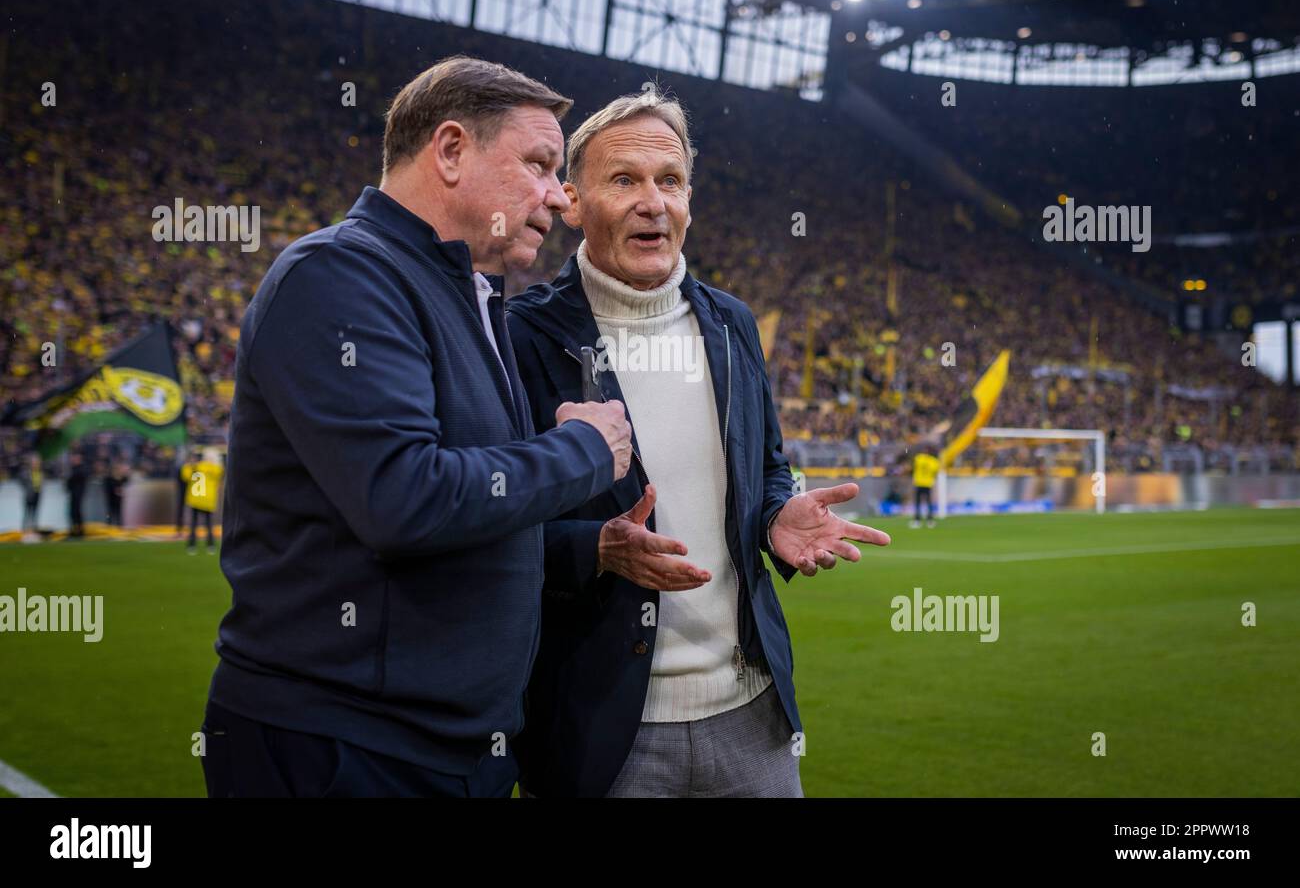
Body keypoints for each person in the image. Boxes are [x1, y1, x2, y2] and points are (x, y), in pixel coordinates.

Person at [200, 56, 633, 799]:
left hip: (444, 748)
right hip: (344, 748)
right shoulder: (339, 276)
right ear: (452, 150)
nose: (561, 198)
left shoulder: (468, 293)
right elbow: (404, 499)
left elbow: (469, 518)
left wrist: (589, 545)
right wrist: (584, 450)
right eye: (537, 164)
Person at [507, 86, 890, 797]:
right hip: (598, 727)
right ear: (572, 201)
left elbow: (769, 466)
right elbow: (493, 521)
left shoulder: (732, 323)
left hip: (752, 716)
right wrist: (595, 549)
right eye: (624, 180)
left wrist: (778, 512)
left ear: (690, 198)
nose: (653, 201)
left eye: (670, 181)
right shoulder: (520, 336)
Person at [182, 449, 222, 553]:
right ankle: (210, 545)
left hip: (196, 498)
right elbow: (219, 474)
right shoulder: (215, 468)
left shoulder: (197, 466)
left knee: (194, 523)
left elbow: (186, 476)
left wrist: (189, 464)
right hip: (208, 500)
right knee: (208, 524)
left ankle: (192, 545)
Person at [911, 447, 940, 528]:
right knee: (927, 503)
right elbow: (935, 472)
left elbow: (914, 467)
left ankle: (918, 520)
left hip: (920, 483)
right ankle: (929, 520)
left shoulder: (919, 458)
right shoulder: (934, 461)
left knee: (919, 502)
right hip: (926, 483)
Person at [65, 451, 88, 538]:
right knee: (73, 512)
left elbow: (72, 480)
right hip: (74, 493)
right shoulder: (74, 469)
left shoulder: (81, 469)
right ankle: (75, 530)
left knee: (76, 512)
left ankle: (79, 530)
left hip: (78, 494)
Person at [21, 453, 43, 536]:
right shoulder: (27, 472)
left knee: (35, 513)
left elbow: (40, 484)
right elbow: (23, 482)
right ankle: (24, 531)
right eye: (34, 463)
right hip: (29, 495)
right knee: (27, 513)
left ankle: (34, 531)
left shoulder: (39, 472)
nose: (36, 464)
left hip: (37, 494)